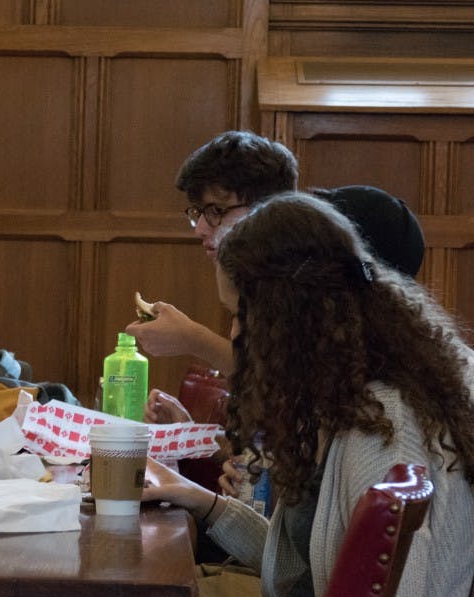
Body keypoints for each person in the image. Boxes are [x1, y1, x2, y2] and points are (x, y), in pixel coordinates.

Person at [143, 192, 474, 597]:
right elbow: (310, 575)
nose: (234, 334)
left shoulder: (383, 428)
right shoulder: (347, 396)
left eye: (241, 314)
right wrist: (205, 503)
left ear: (290, 317)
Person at [128, 131, 425, 424]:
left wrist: (194, 339)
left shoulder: (309, 291)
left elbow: (293, 388)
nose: (200, 229)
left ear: (268, 210)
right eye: (198, 213)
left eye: (217, 211)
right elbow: (273, 450)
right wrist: (191, 435)